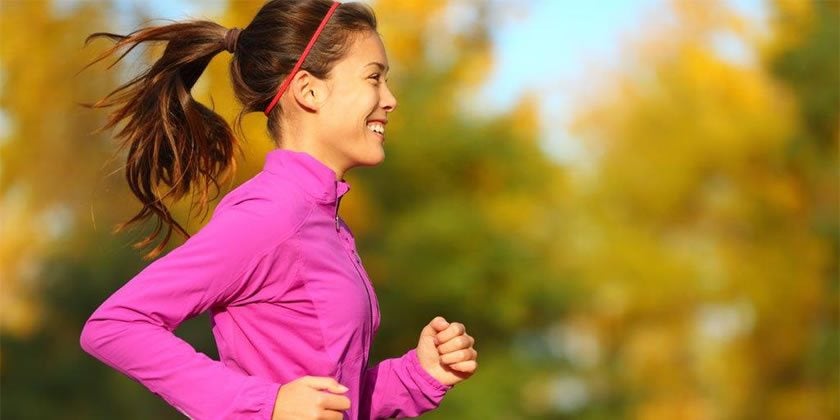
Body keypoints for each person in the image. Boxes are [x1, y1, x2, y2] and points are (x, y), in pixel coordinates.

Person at [78, 1, 478, 419]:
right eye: (374, 78)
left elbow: (336, 400)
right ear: (308, 90)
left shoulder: (324, 221)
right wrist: (265, 406)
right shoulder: (271, 217)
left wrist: (420, 373)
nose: (390, 99)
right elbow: (116, 325)